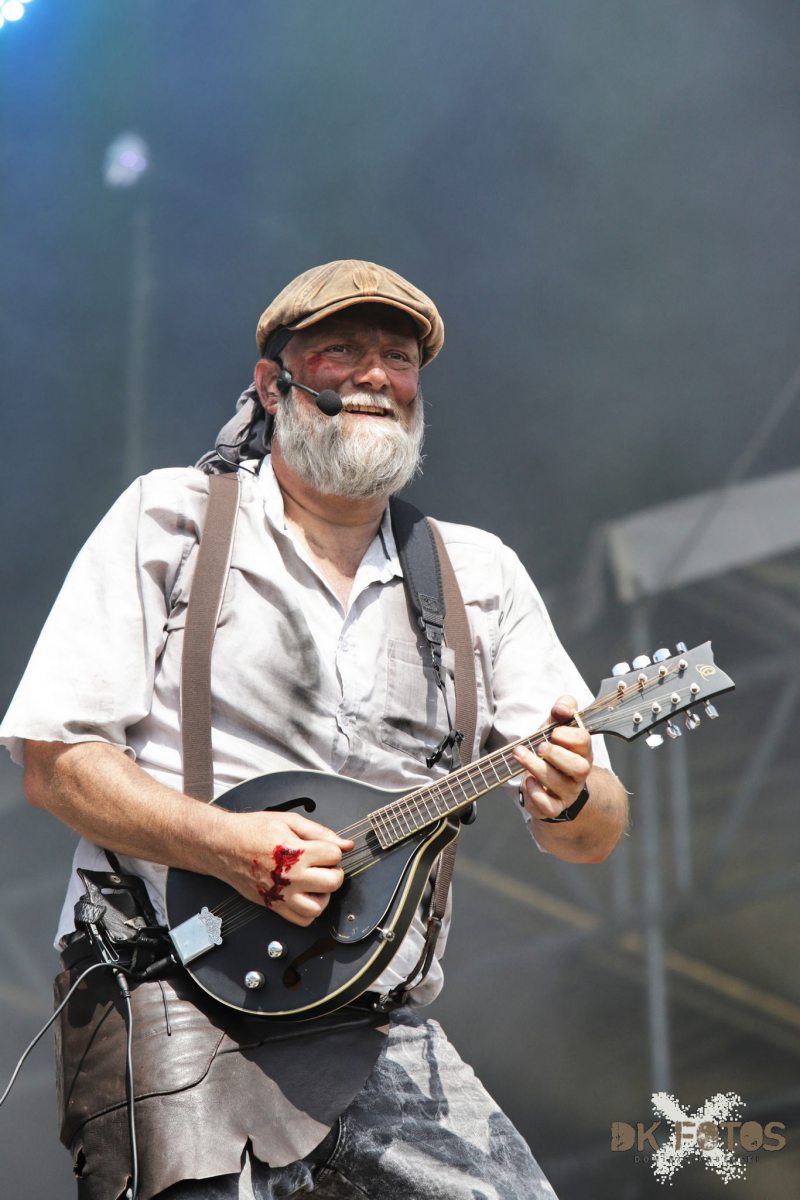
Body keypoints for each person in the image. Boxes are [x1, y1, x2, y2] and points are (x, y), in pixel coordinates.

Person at [0, 260, 628, 1200]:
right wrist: (227, 845)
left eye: (399, 358)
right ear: (273, 384)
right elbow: (57, 763)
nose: (376, 375)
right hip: (170, 990)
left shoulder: (479, 573)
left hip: (375, 1024)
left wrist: (573, 794)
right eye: (342, 350)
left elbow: (595, 834)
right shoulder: (169, 520)